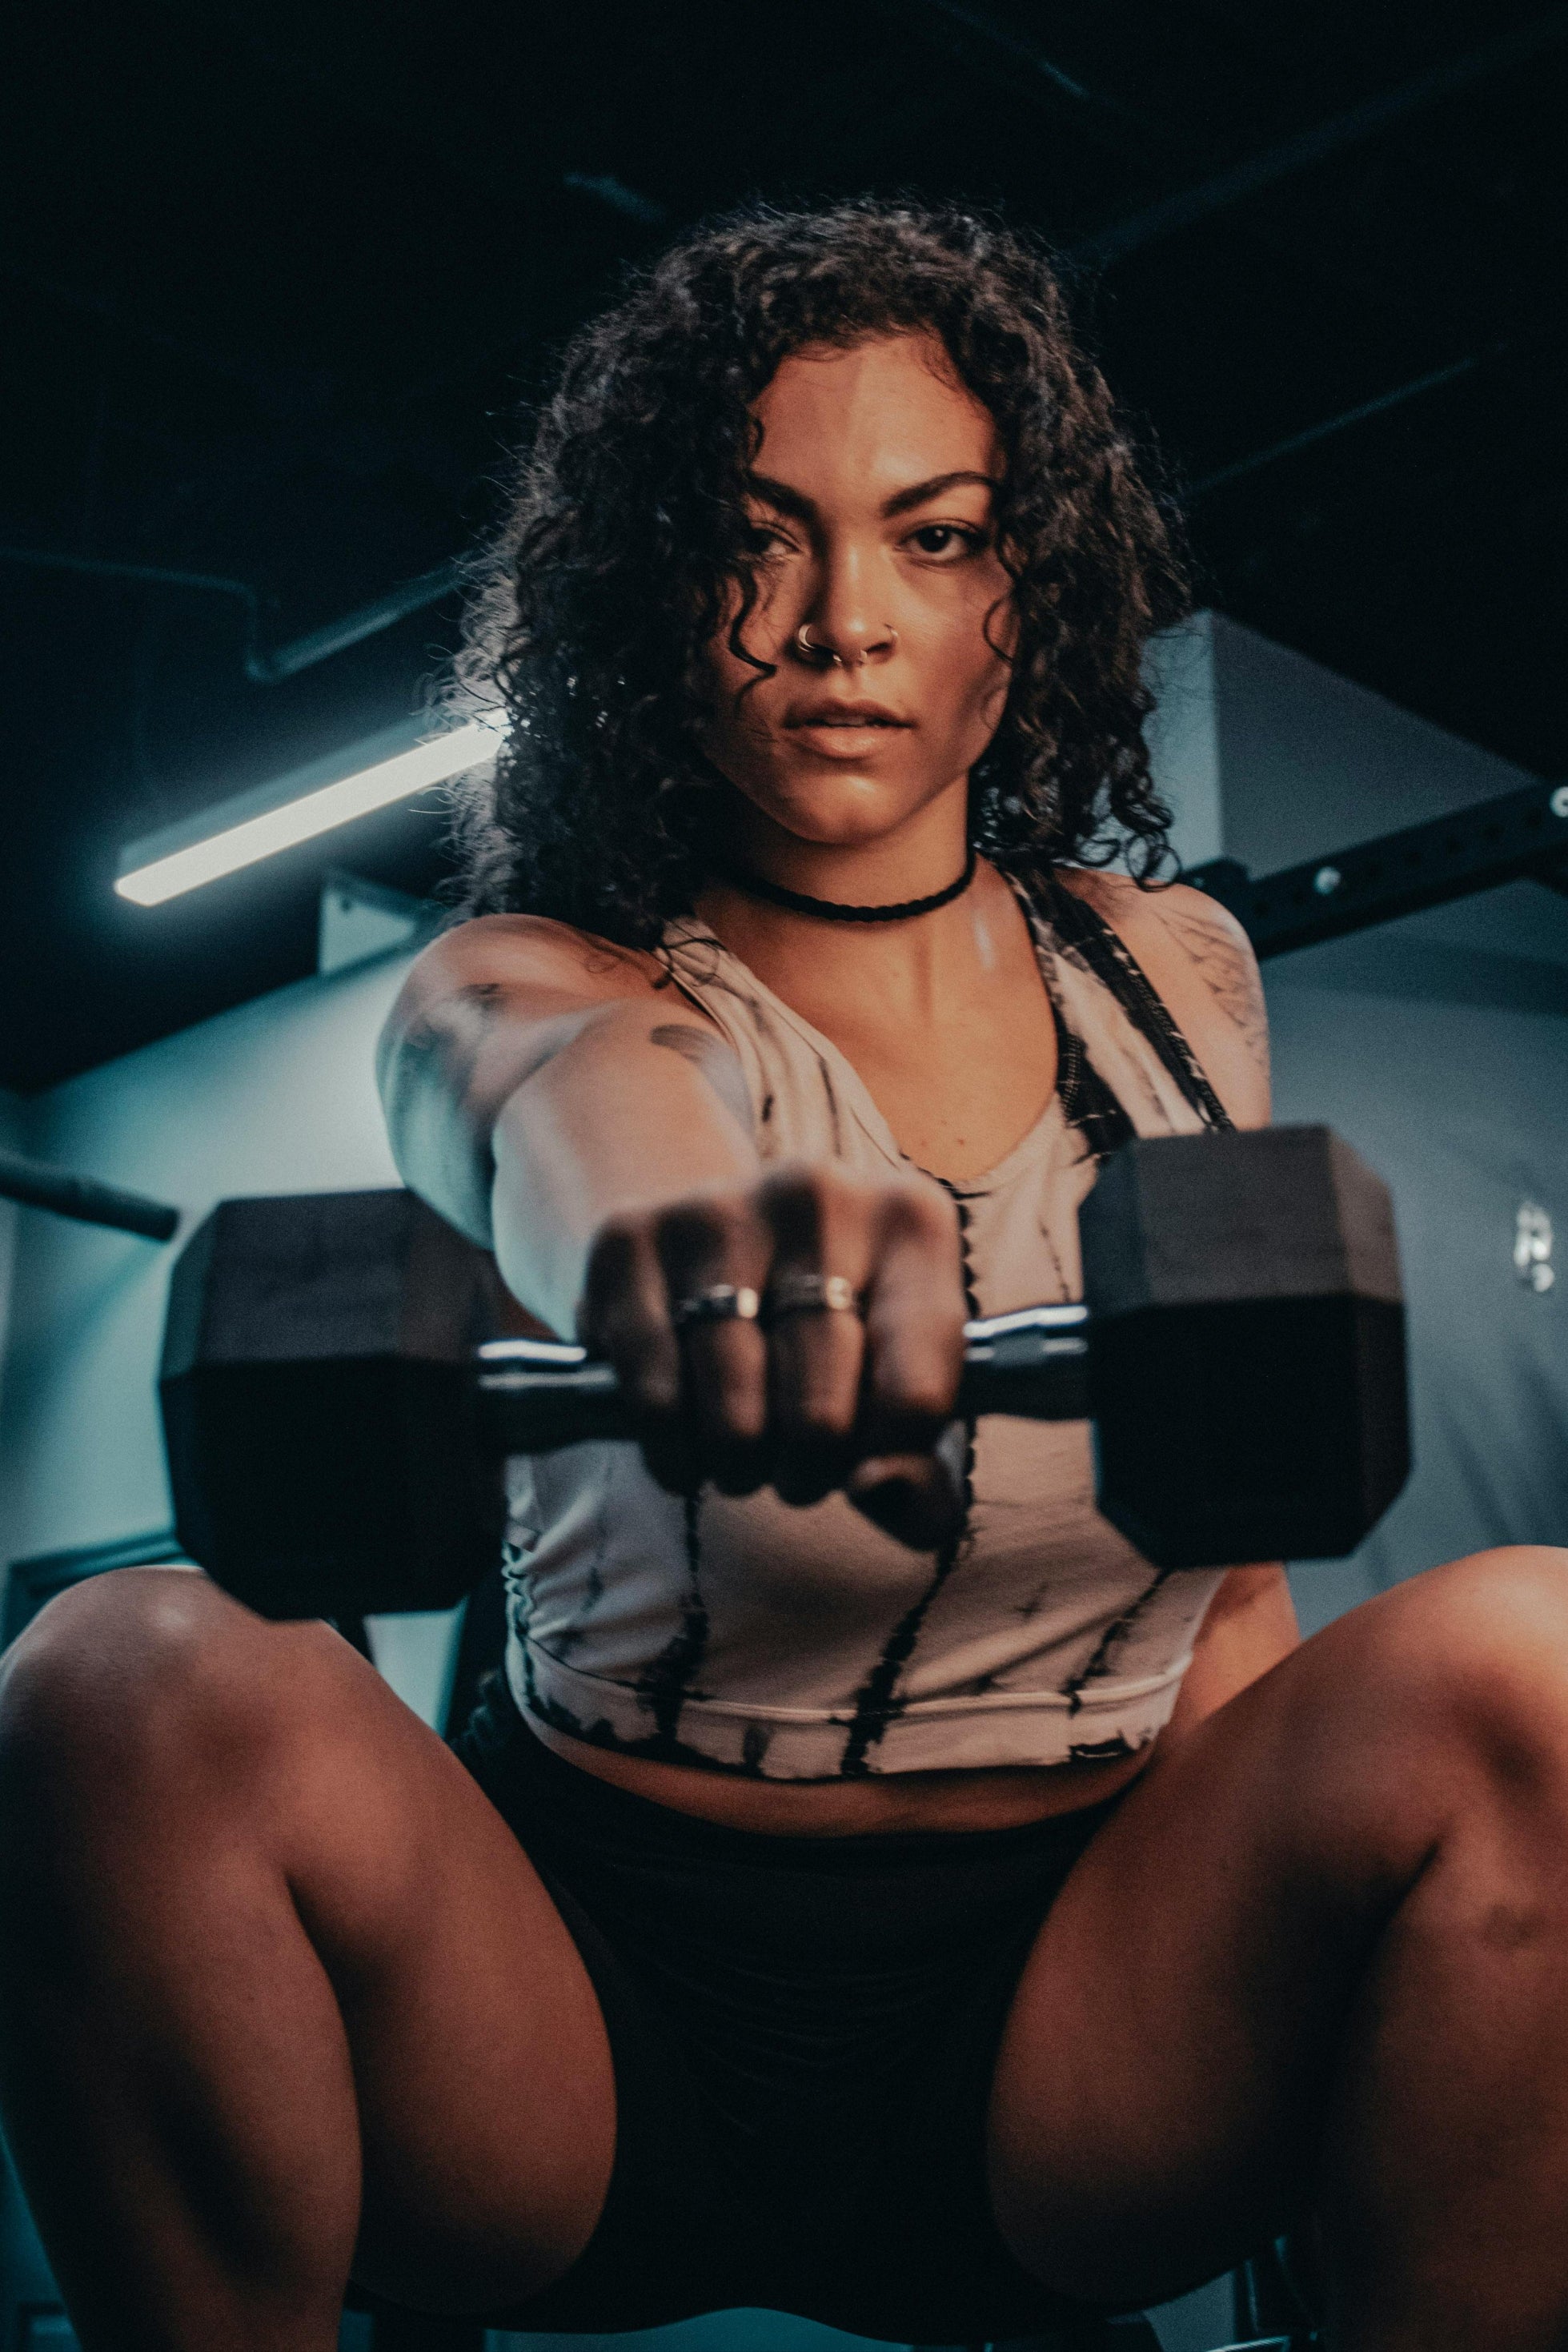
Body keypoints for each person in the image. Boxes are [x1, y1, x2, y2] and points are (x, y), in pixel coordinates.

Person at [1, 200, 1566, 2352]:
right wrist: (690, 1241)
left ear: (1025, 594)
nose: (845, 619)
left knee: (1548, 1659)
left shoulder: (1175, 971)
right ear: (659, 596)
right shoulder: (528, 979)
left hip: (1074, 2026)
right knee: (109, 1673)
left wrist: (1307, 1962)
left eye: (932, 536)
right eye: (762, 538)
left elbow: (1224, 1553)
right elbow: (568, 1093)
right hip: (582, 2016)